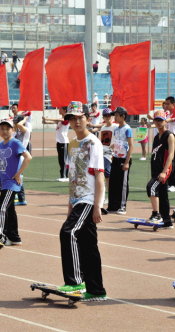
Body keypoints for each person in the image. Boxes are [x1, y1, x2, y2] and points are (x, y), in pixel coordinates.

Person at [57, 101, 107, 302]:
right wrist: (70, 205)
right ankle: (96, 290)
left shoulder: (93, 142)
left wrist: (98, 205)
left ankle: (75, 282)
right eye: (72, 118)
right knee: (88, 246)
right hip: (77, 200)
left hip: (88, 200)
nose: (76, 121)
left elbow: (100, 176)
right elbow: (73, 177)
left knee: (67, 232)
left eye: (80, 117)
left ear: (88, 118)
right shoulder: (72, 143)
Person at [0, 118, 32, 249]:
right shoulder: (1, 145)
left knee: (1, 207)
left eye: (8, 128)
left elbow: (28, 157)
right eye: (2, 129)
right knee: (10, 210)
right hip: (4, 181)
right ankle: (14, 237)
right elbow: (1, 164)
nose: (5, 131)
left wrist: (18, 174)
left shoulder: (15, 143)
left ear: (13, 130)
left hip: (12, 183)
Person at [146, 110, 175, 228]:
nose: (158, 122)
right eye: (156, 120)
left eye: (161, 120)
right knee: (163, 195)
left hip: (164, 170)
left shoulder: (169, 135)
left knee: (150, 187)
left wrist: (164, 171)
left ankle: (156, 214)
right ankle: (167, 221)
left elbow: (171, 155)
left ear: (165, 121)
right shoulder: (156, 137)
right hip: (156, 170)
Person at [108, 107, 133, 214]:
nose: (115, 117)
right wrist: (112, 147)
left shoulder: (128, 129)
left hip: (124, 159)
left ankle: (123, 206)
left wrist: (127, 162)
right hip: (116, 158)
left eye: (117, 115)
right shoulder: (116, 129)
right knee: (113, 182)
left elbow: (131, 146)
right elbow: (118, 142)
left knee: (123, 184)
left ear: (123, 116)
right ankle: (113, 205)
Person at [91, 108, 116, 205]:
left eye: (109, 116)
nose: (108, 117)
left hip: (110, 154)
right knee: (102, 175)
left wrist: (112, 147)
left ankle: (109, 197)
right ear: (103, 117)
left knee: (107, 176)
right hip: (103, 153)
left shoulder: (115, 127)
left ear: (112, 116)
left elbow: (118, 139)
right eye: (106, 116)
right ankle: (103, 196)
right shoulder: (103, 127)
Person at [43, 107, 69, 182]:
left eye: (61, 109)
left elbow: (59, 120)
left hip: (64, 142)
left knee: (64, 160)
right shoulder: (60, 120)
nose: (59, 110)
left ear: (64, 110)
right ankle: (62, 176)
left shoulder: (66, 118)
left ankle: (65, 176)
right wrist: (45, 121)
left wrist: (48, 118)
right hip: (59, 142)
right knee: (60, 160)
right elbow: (54, 122)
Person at [164, 97, 175, 192]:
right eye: (165, 104)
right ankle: (169, 182)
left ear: (173, 104)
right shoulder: (166, 114)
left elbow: (173, 119)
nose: (166, 105)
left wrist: (165, 121)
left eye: (167, 104)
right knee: (169, 163)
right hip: (168, 141)